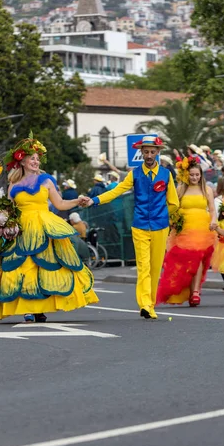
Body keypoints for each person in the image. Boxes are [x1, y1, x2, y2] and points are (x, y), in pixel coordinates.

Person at [0, 134, 98, 323]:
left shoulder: (47, 180)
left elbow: (60, 204)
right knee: (25, 267)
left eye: (37, 158)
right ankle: (28, 309)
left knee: (46, 267)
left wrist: (77, 201)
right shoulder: (13, 184)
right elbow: (8, 209)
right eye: (32, 158)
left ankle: (41, 308)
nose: (35, 161)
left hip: (44, 227)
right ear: (22, 160)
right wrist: (1, 222)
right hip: (22, 229)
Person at [80, 134, 179, 319]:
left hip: (160, 226)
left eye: (152, 152)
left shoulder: (166, 175)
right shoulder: (135, 174)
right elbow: (117, 191)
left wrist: (169, 219)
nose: (149, 155)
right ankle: (146, 305)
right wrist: (94, 200)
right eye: (146, 152)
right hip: (140, 225)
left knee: (156, 267)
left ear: (158, 152)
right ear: (141, 152)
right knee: (143, 266)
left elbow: (173, 202)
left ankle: (150, 302)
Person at [157, 156, 217, 307]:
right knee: (185, 262)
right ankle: (188, 290)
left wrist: (213, 220)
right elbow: (173, 208)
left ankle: (195, 291)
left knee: (199, 257)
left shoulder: (207, 190)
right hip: (184, 228)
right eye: (192, 174)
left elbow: (212, 209)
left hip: (202, 228)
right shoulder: (180, 189)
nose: (195, 177)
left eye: (197, 175)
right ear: (186, 175)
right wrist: (173, 222)